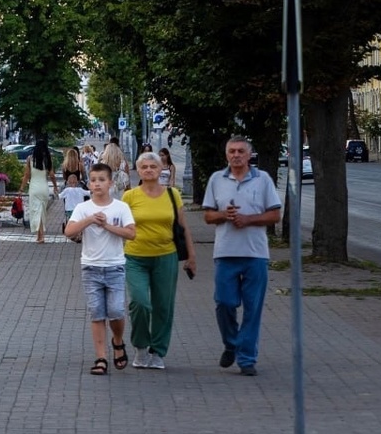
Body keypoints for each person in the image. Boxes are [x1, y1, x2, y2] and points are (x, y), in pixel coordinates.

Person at [202, 135, 282, 377]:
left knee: (252, 308)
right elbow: (207, 216)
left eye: (240, 151)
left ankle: (247, 358)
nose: (236, 155)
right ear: (226, 155)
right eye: (231, 151)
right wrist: (224, 215)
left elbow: (275, 215)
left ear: (249, 155)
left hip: (255, 253)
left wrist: (248, 219)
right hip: (226, 252)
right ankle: (231, 343)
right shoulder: (217, 179)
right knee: (224, 303)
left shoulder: (263, 179)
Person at [122, 151, 197, 370]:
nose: (148, 170)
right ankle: (141, 347)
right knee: (139, 303)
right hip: (135, 257)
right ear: (139, 170)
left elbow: (183, 228)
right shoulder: (130, 196)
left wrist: (191, 256)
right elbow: (121, 226)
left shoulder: (172, 195)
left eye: (152, 167)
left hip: (166, 256)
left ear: (161, 169)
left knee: (163, 306)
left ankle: (158, 351)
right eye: (144, 167)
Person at [64, 163, 137, 375]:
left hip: (115, 266)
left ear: (111, 183)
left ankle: (117, 340)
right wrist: (89, 220)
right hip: (90, 267)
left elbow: (131, 234)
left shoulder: (120, 207)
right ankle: (101, 357)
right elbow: (69, 231)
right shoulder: (83, 208)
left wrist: (106, 226)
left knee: (116, 310)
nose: (97, 184)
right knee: (97, 313)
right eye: (93, 180)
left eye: (102, 180)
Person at [22, 138, 59, 243]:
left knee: (35, 211)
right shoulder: (47, 159)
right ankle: (41, 235)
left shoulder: (30, 159)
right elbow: (52, 175)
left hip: (34, 187)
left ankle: (40, 235)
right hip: (44, 187)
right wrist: (55, 186)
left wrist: (21, 187)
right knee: (42, 211)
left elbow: (26, 175)